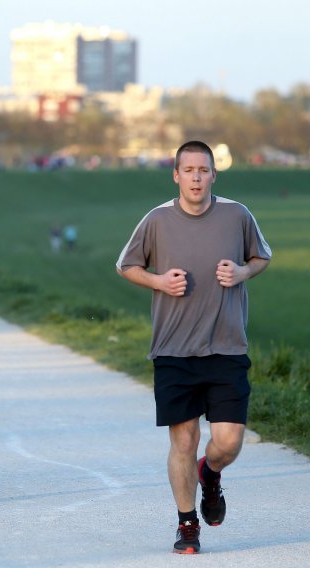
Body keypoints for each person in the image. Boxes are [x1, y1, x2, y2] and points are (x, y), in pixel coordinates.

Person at [116, 140, 271, 554]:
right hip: (173, 350)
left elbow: (261, 257)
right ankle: (187, 525)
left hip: (226, 347)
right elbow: (127, 265)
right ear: (176, 175)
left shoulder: (237, 215)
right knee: (182, 441)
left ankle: (212, 474)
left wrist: (241, 271)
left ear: (214, 174)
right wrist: (159, 281)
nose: (197, 178)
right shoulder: (157, 220)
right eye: (189, 170)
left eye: (204, 170)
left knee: (228, 442)